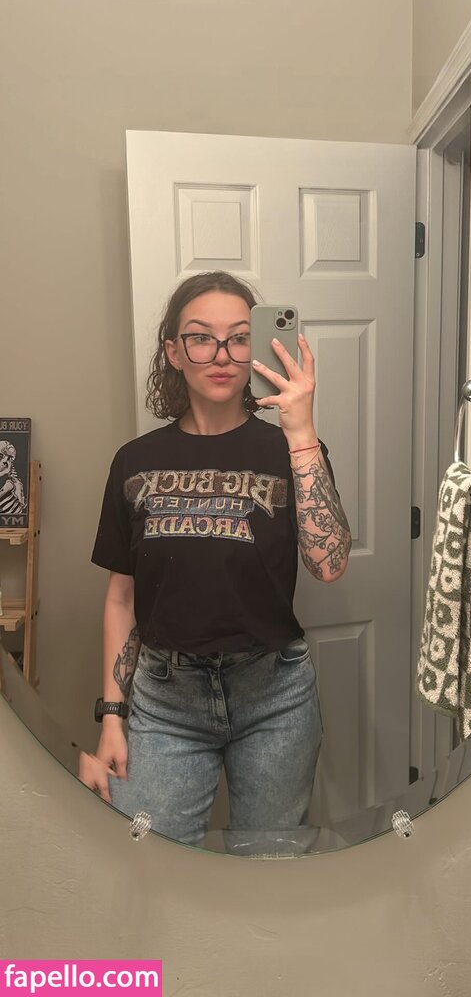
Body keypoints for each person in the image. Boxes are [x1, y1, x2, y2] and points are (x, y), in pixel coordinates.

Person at [80, 270, 351, 845]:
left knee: (268, 863)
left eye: (240, 337)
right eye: (201, 337)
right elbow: (121, 599)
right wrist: (112, 716)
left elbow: (328, 564)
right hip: (164, 701)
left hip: (274, 695)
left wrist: (301, 431)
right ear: (174, 352)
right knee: (151, 863)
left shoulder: (290, 449)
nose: (222, 354)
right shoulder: (134, 461)